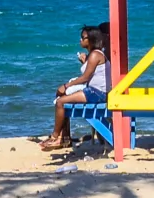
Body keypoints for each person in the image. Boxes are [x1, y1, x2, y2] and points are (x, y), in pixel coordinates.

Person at [39, 24, 109, 152]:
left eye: (83, 38)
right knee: (61, 97)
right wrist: (84, 63)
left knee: (61, 102)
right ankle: (63, 137)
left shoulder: (95, 55)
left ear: (91, 40)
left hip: (96, 93)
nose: (80, 40)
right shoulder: (94, 54)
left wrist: (67, 85)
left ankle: (56, 136)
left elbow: (85, 78)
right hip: (94, 91)